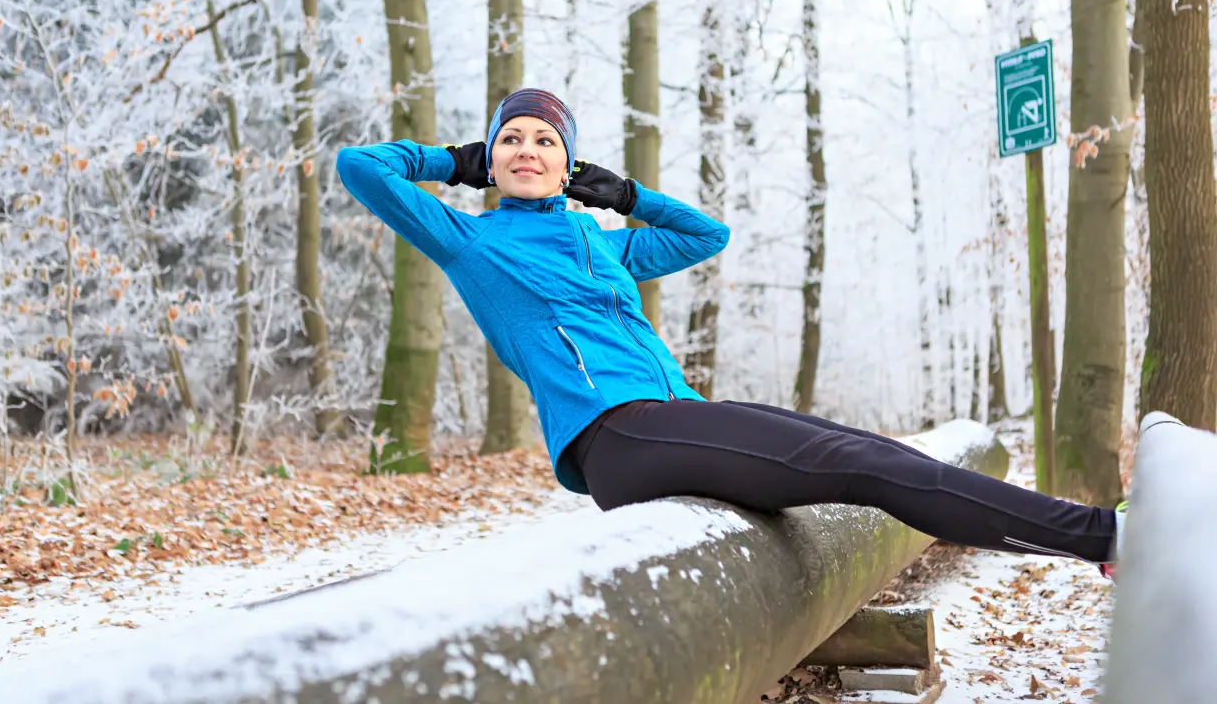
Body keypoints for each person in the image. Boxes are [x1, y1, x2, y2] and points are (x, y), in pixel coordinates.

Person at [337, 87, 1126, 580]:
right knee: (860, 464)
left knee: (869, 454)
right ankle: (1104, 535)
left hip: (668, 416)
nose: (527, 150)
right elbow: (361, 166)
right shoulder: (470, 240)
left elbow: (704, 234)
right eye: (512, 138)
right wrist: (453, 159)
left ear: (570, 162)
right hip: (614, 435)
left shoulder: (601, 242)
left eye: (546, 140)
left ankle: (1099, 536)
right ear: (492, 157)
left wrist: (627, 194)